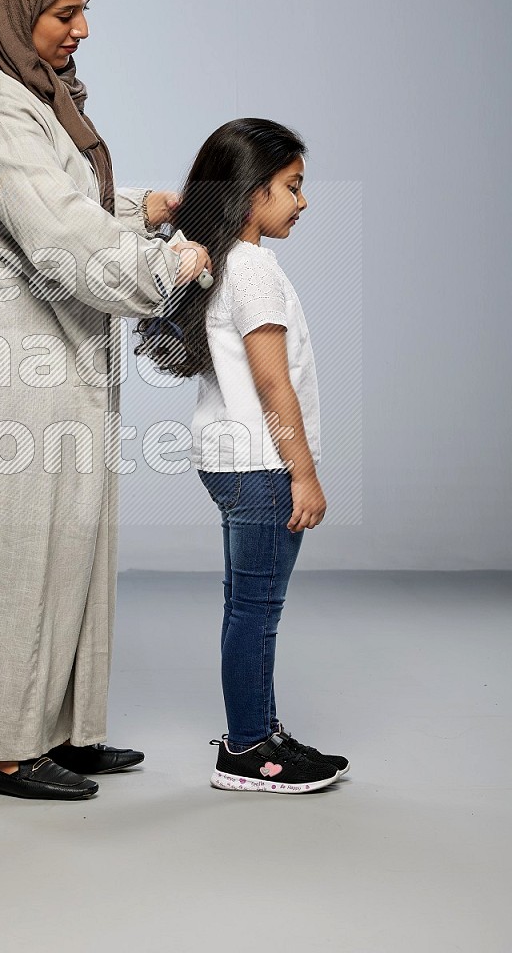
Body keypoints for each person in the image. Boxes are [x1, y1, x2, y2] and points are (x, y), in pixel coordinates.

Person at [0, 0, 212, 800]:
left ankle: (58, 729)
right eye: (63, 12)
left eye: (86, 12)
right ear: (16, 9)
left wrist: (143, 204)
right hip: (9, 357)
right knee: (7, 545)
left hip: (56, 343)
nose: (79, 29)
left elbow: (69, 196)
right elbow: (56, 232)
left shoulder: (32, 98)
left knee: (71, 537)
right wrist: (164, 265)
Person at [134, 118, 350, 794]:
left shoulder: (223, 261)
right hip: (261, 462)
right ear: (252, 193)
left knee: (246, 607)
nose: (303, 201)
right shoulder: (253, 269)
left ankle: (258, 731)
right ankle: (249, 750)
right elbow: (271, 382)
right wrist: (305, 472)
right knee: (257, 609)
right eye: (292, 186)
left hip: (229, 456)